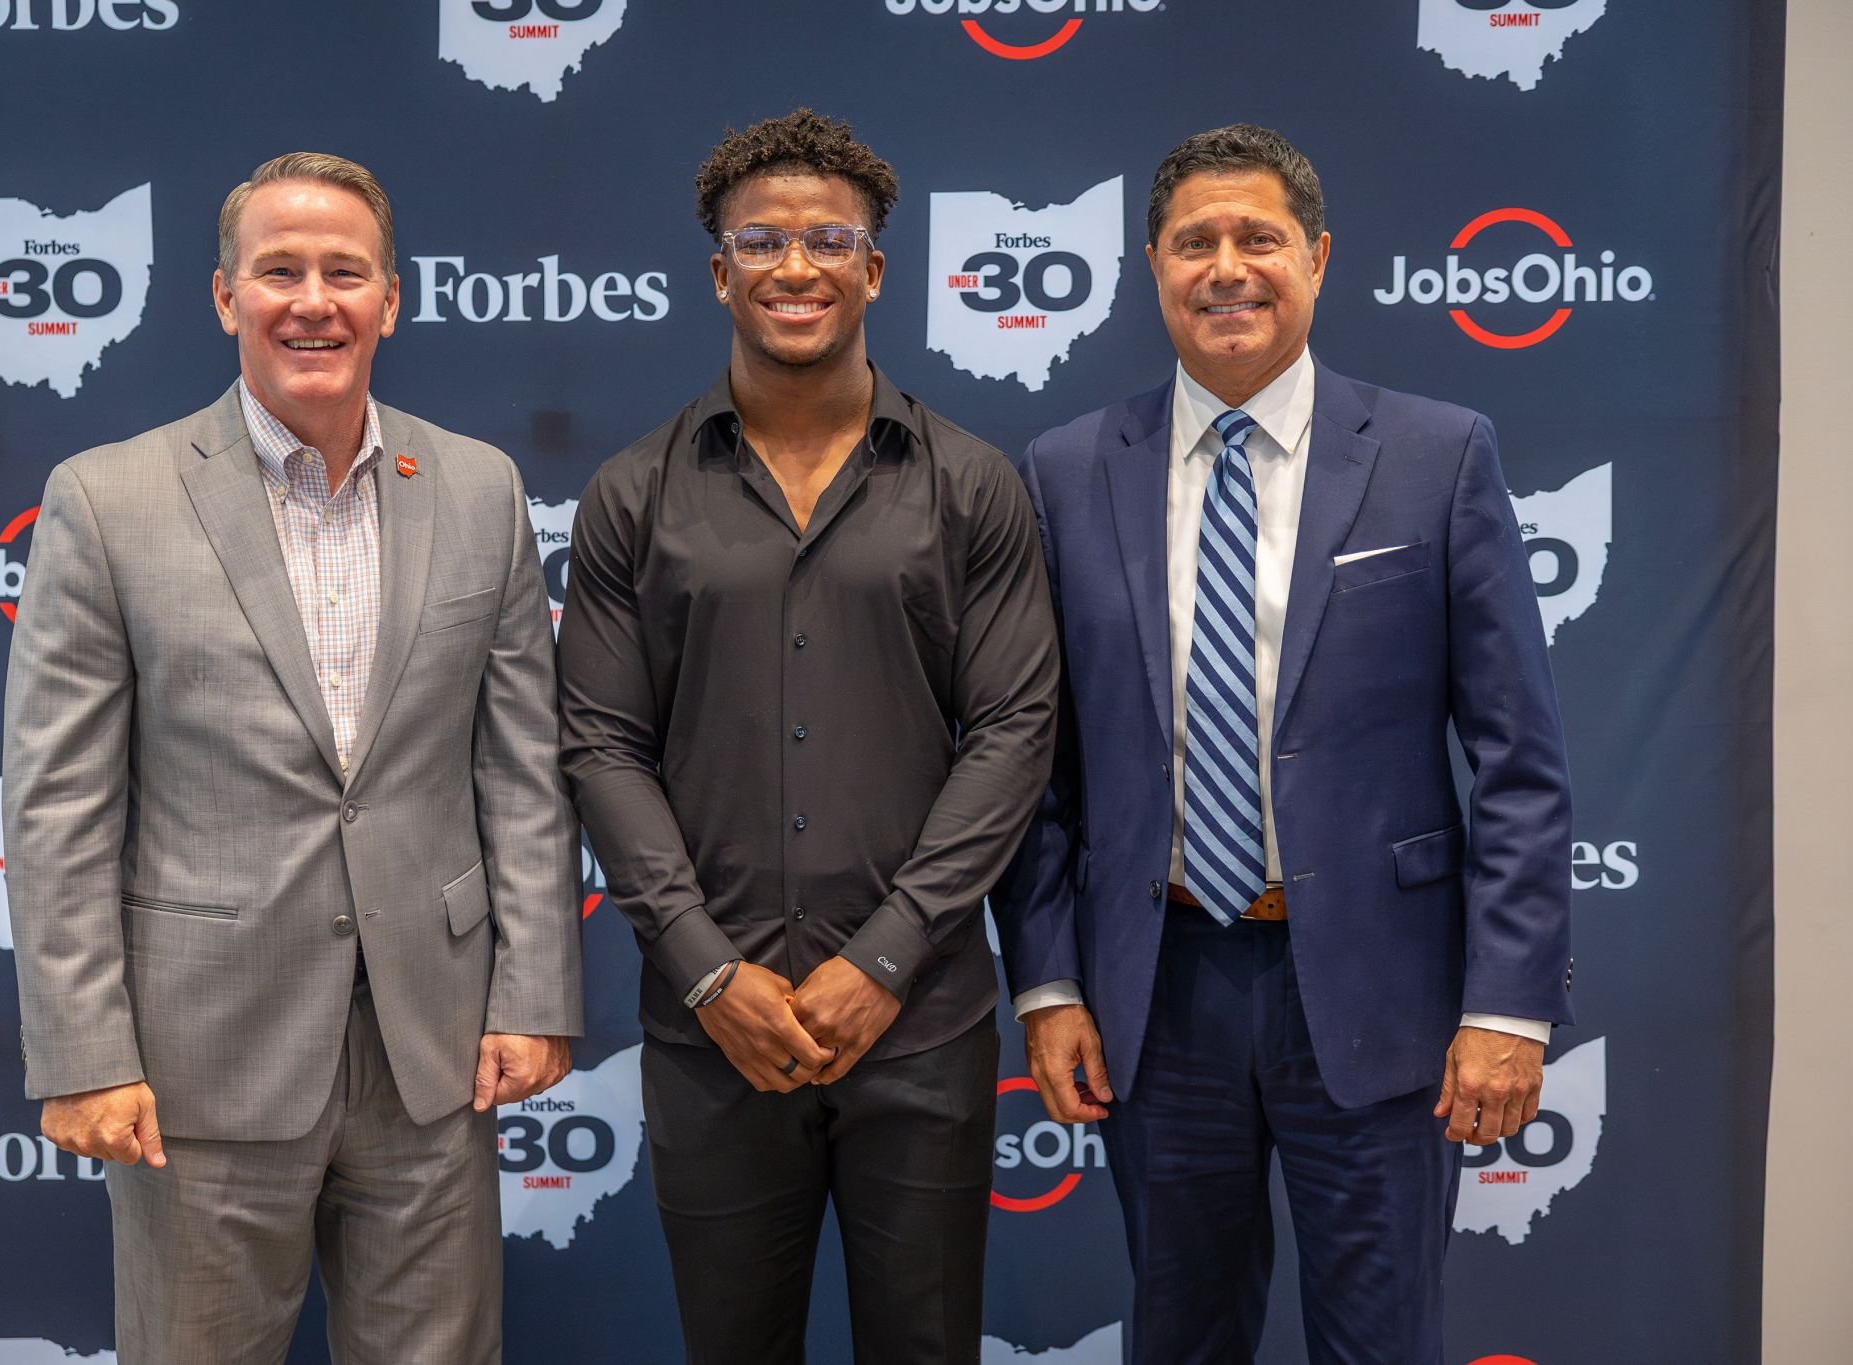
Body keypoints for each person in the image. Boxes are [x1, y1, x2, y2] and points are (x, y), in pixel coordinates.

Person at [990, 123, 1573, 1364]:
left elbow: (1518, 764)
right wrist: (1045, 985)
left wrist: (1508, 1011)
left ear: (1315, 259)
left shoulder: (1435, 454)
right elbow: (1036, 767)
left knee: (1378, 1342)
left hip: (1378, 997)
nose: (1226, 267)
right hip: (1158, 996)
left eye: (1257, 238)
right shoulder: (1066, 468)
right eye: (1193, 242)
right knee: (1181, 1339)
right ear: (1150, 266)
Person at [2, 151, 581, 1364]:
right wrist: (83, 1052)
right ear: (224, 298)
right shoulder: (105, 500)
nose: (311, 299)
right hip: (197, 1064)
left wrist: (532, 994)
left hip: (430, 1057)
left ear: (392, 298)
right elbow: (57, 807)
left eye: (343, 272)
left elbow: (521, 769)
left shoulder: (481, 488)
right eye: (277, 271)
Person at [557, 109, 1058, 1365]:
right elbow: (602, 745)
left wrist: (881, 960)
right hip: (710, 1034)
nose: (795, 267)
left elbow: (1010, 731)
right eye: (760, 242)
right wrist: (709, 973)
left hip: (920, 1027)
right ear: (718, 271)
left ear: (874, 269)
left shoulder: (971, 485)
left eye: (827, 240)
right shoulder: (633, 492)